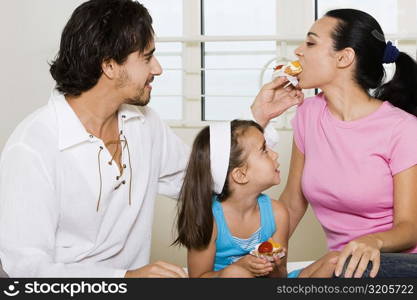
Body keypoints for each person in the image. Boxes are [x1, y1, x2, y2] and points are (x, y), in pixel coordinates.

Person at [0, 0, 303, 277]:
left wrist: (258, 117)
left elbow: (206, 178)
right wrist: (126, 279)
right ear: (109, 65)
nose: (157, 69)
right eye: (147, 58)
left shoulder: (144, 123)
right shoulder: (32, 148)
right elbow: (26, 269)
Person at [280, 8, 417, 278]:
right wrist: (269, 260)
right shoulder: (308, 114)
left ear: (344, 57)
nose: (298, 51)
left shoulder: (403, 129)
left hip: (396, 265)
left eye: (310, 43)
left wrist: (372, 242)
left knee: (341, 267)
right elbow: (292, 204)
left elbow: (410, 226)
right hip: (341, 265)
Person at [174, 120, 339, 278]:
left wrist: (273, 267)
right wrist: (240, 267)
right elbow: (198, 277)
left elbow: (280, 276)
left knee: (335, 260)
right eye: (265, 150)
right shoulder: (210, 219)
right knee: (236, 275)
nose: (275, 155)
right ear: (240, 174)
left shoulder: (277, 213)